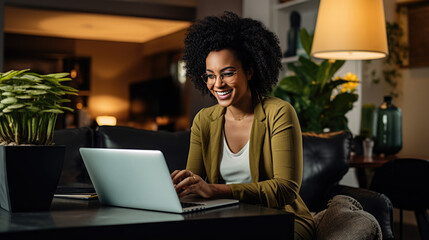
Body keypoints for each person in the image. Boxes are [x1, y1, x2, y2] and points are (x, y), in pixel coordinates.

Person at [171, 11, 315, 240]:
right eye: (210, 75)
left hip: (281, 218)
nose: (217, 84)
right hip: (225, 218)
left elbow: (285, 190)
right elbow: (195, 187)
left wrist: (215, 190)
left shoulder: (279, 113)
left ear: (250, 71)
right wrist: (181, 185)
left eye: (227, 73)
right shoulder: (203, 121)